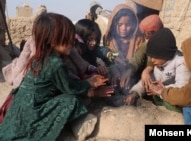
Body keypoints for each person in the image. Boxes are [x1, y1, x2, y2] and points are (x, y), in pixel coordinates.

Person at [0, 12, 109, 140]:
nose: (71, 42)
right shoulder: (55, 63)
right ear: (52, 40)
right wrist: (90, 85)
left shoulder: (40, 57)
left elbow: (78, 68)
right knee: (71, 101)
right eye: (66, 38)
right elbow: (69, 87)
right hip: (32, 112)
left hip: (18, 109)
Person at [124, 28, 191, 111]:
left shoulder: (181, 63)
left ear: (164, 53)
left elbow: (182, 88)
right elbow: (148, 81)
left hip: (173, 101)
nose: (152, 60)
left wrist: (162, 90)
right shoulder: (159, 63)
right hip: (160, 97)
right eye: (151, 57)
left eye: (155, 57)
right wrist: (135, 93)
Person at [103, 3, 144, 96]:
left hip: (133, 74)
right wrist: (114, 69)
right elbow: (107, 57)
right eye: (120, 24)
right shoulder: (109, 39)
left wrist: (130, 71)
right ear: (114, 24)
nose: (123, 28)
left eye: (128, 24)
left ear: (133, 24)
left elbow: (140, 60)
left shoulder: (139, 40)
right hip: (114, 74)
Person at [120, 14, 163, 91]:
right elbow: (137, 58)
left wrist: (146, 71)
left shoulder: (165, 45)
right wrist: (129, 70)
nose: (146, 38)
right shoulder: (146, 44)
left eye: (148, 35)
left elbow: (155, 61)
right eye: (145, 35)